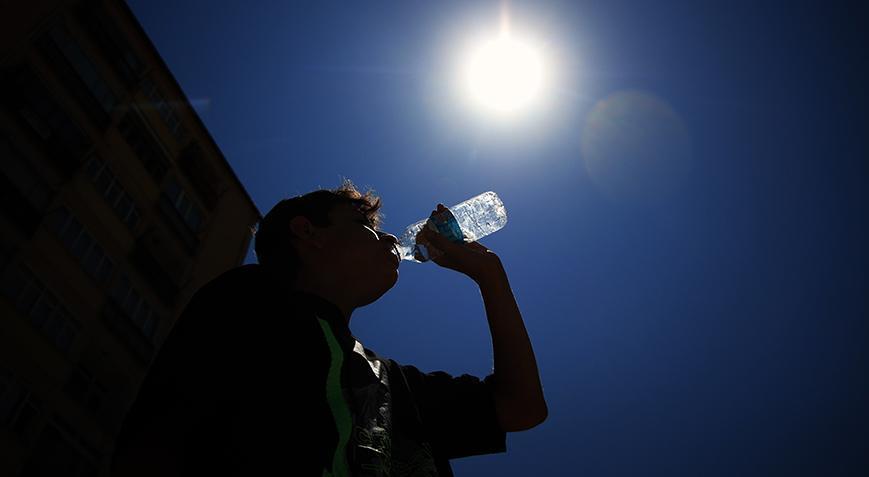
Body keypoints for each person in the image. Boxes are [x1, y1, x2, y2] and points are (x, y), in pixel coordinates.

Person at [111, 180, 547, 476]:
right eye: (366, 227)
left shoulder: (392, 385)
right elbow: (164, 438)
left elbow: (521, 408)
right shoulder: (253, 301)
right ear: (308, 233)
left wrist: (491, 276)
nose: (393, 240)